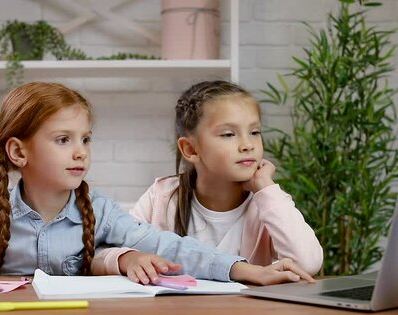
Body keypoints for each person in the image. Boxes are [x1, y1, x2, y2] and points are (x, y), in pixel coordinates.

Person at [0, 81, 313, 286]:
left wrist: (245, 269)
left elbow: (169, 246)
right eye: (63, 140)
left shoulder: (100, 212)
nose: (80, 152)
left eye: (85, 139)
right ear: (19, 153)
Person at [94, 80, 323, 280]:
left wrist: (267, 189)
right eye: (228, 134)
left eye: (254, 132)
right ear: (190, 148)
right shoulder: (162, 196)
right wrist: (129, 258)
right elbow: (99, 253)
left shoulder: (267, 202)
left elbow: (308, 263)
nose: (248, 145)